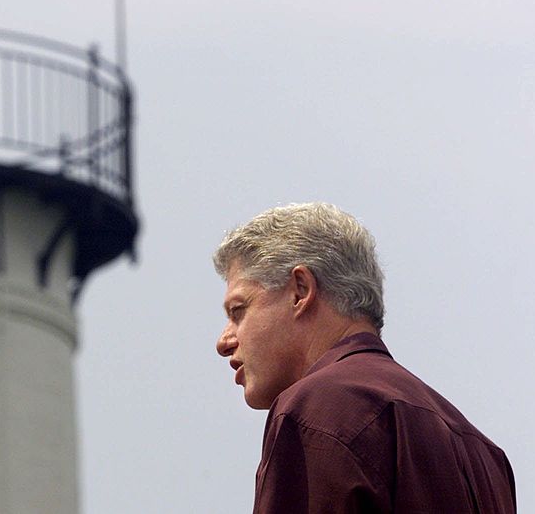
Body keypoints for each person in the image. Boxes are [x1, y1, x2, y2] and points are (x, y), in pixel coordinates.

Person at [213, 202, 516, 513]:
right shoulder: (486, 457)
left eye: (239, 311)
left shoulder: (318, 407)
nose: (224, 342)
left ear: (300, 291)